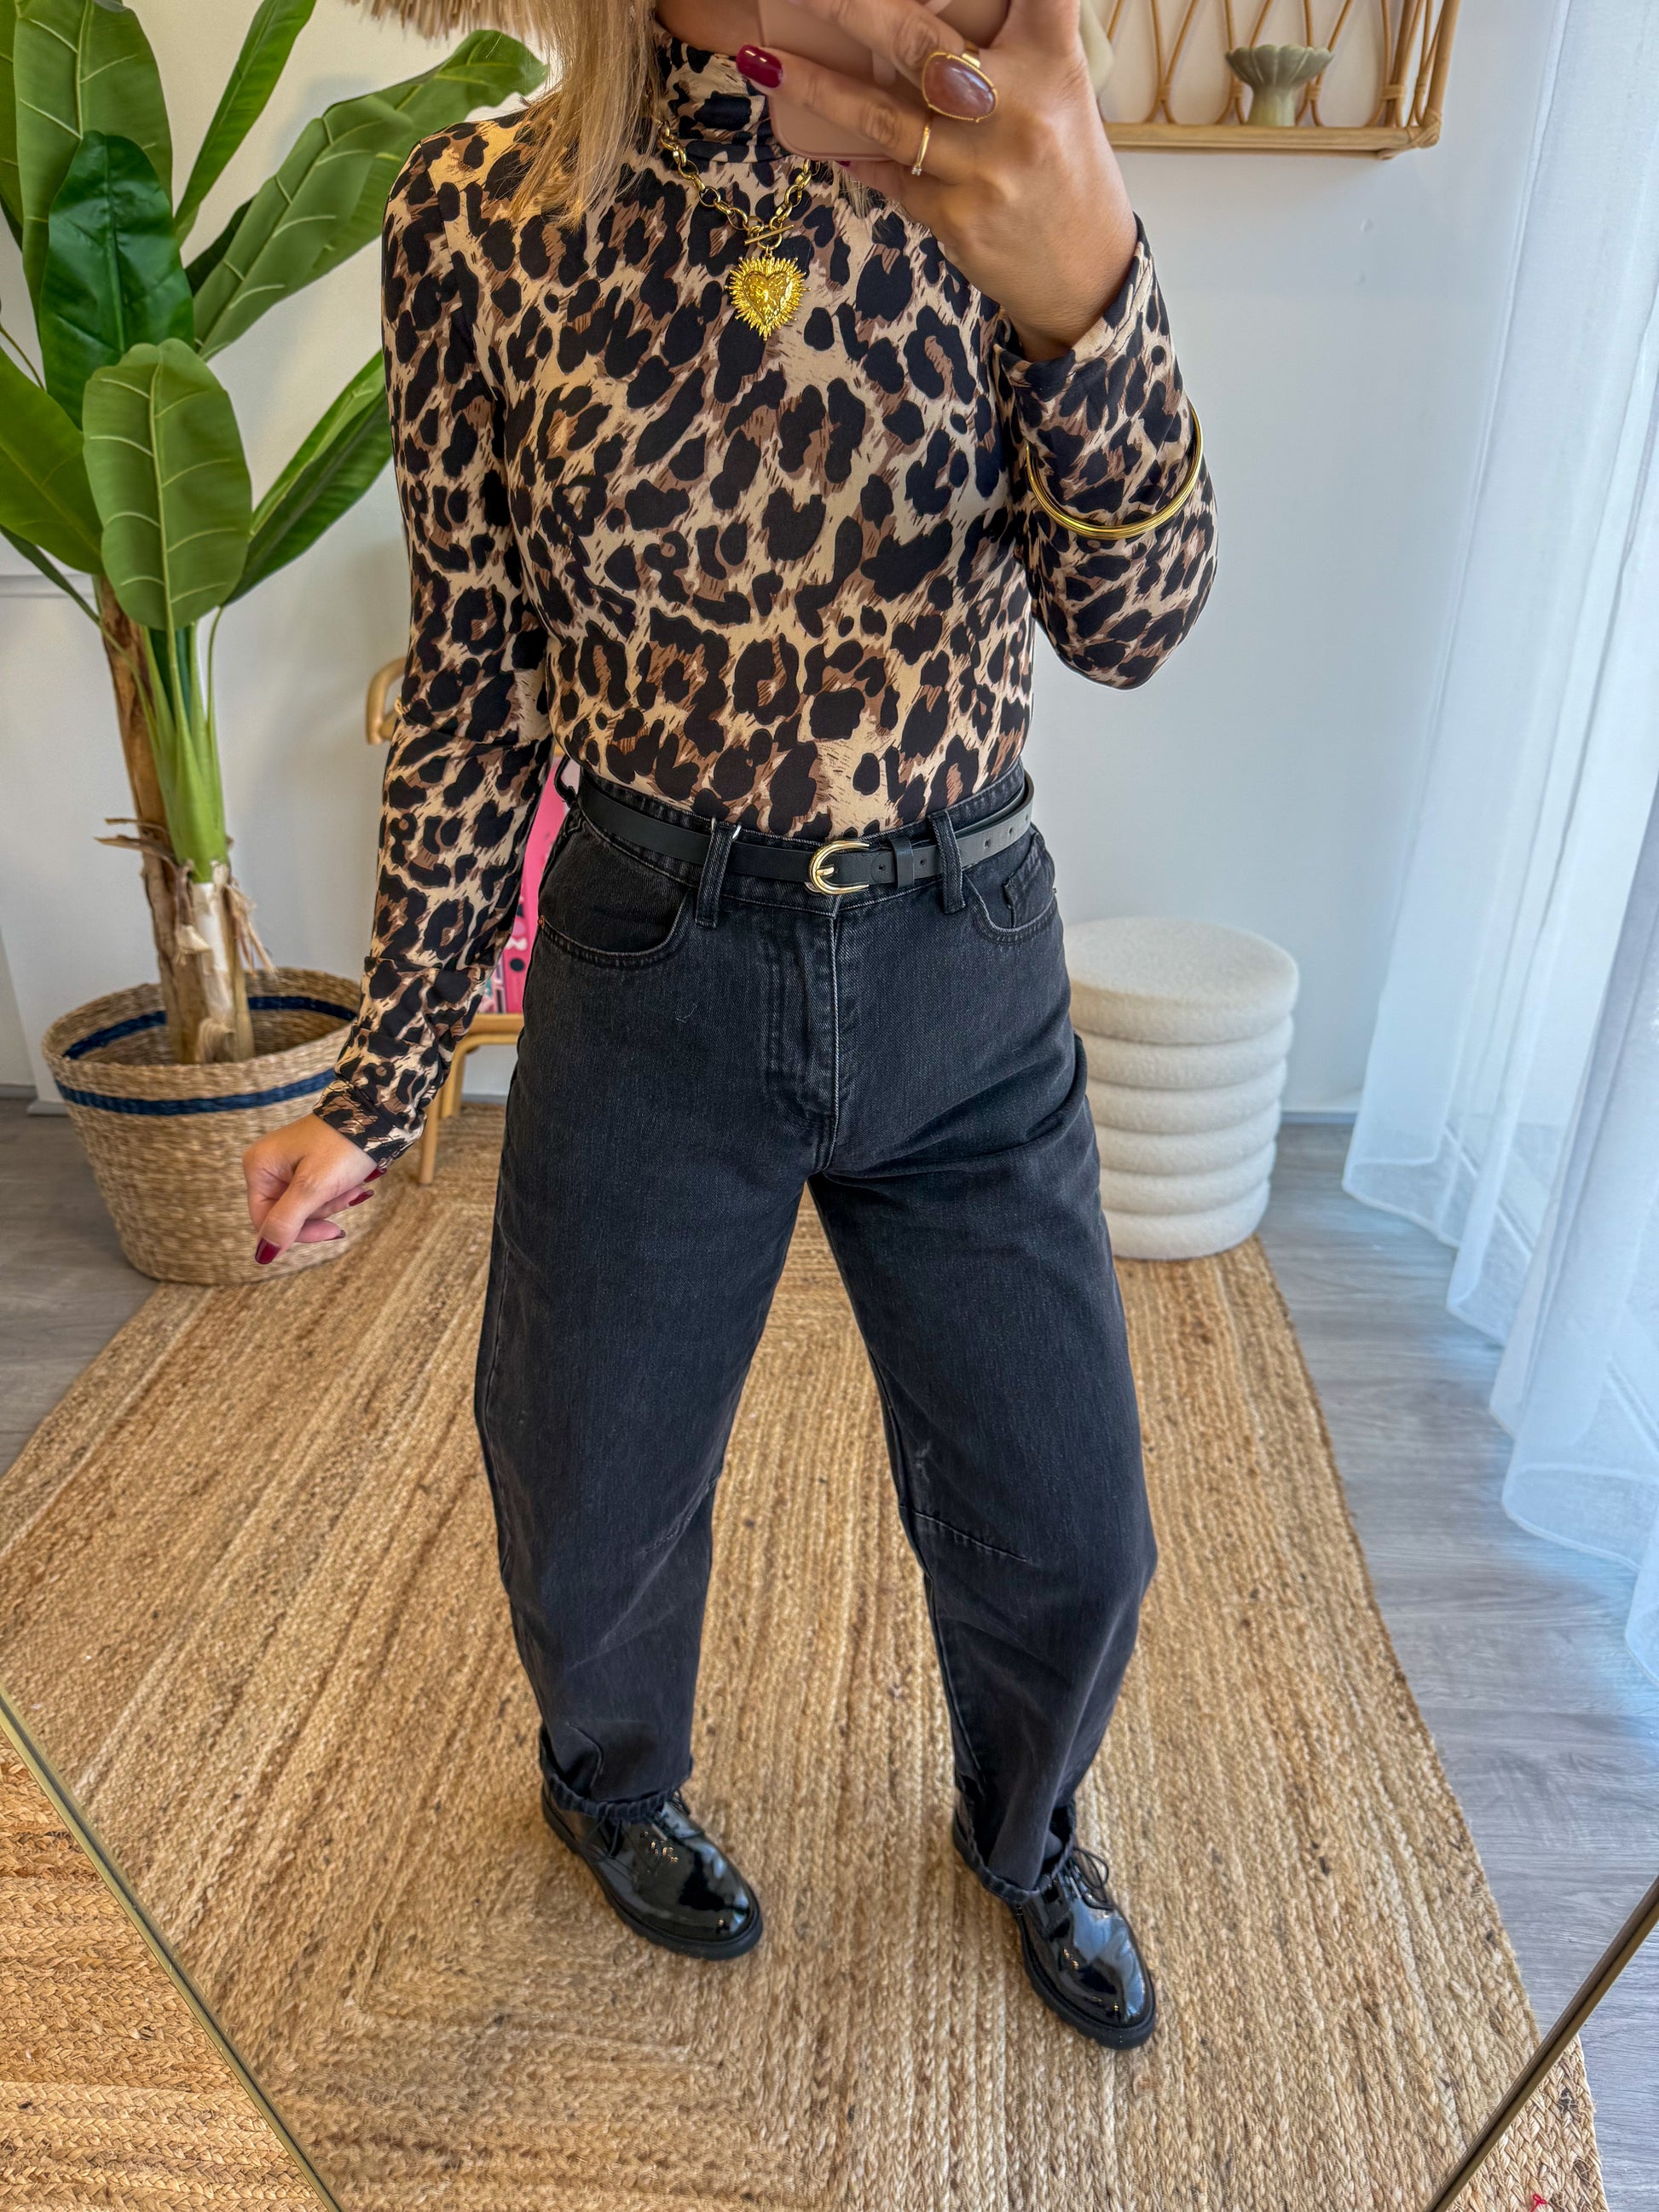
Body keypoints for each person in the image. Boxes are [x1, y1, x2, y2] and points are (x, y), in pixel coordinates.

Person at [243, 0, 1216, 2048]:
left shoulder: (996, 163)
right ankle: (607, 1783)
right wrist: (385, 1072)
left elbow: (1131, 628)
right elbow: (476, 677)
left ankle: (1028, 1824)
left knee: (1076, 1528)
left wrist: (1086, 302)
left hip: (961, 954)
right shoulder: (479, 213)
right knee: (582, 1488)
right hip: (650, 953)